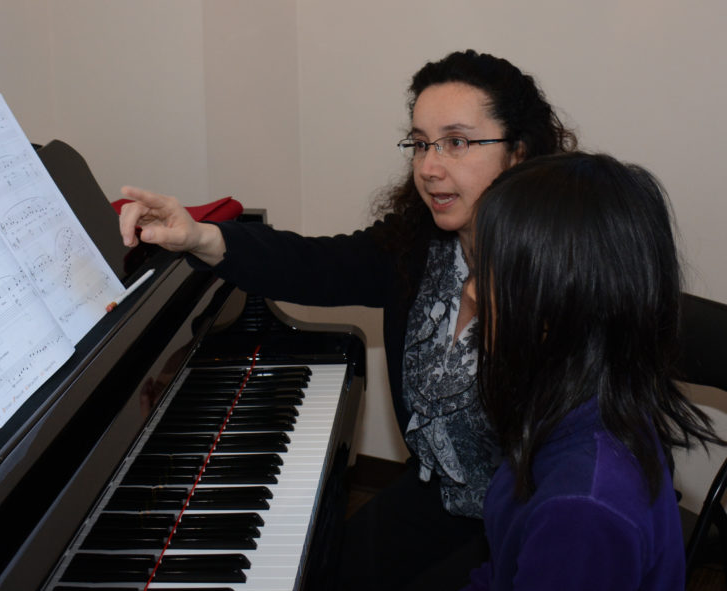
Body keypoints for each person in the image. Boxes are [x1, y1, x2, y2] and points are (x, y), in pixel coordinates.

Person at [117, 49, 576, 590]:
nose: (430, 166)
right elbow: (314, 265)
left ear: (518, 154)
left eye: (457, 142)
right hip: (432, 494)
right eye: (421, 143)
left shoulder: (565, 270)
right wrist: (200, 235)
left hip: (527, 519)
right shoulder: (416, 248)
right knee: (320, 573)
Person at [463, 152, 723, 590]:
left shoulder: (582, 511)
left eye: (486, 275)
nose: (470, 293)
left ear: (553, 311)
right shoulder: (582, 401)